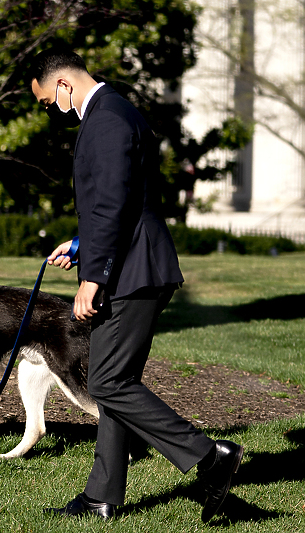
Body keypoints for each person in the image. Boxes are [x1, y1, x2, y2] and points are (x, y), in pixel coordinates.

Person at [31, 47, 243, 522]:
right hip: (133, 262)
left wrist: (92, 278)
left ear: (63, 85)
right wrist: (84, 243)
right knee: (114, 380)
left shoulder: (105, 119)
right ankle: (102, 496)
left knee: (106, 381)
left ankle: (212, 458)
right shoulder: (117, 110)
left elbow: (110, 205)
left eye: (47, 101)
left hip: (133, 272)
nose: (49, 111)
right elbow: (126, 199)